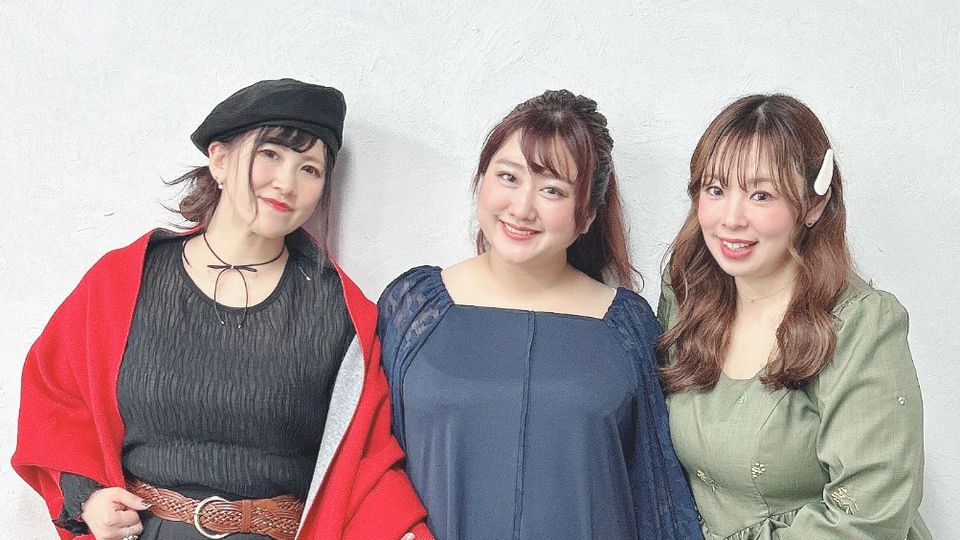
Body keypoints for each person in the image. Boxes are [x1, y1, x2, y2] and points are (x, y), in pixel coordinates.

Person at [13, 79, 430, 540]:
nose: (286, 183)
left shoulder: (341, 312)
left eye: (310, 169)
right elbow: (54, 398)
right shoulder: (124, 281)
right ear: (220, 159)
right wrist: (87, 498)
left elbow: (367, 460)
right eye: (270, 154)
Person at [377, 90, 702, 540]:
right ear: (481, 179)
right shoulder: (413, 308)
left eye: (552, 190)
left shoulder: (627, 327)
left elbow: (656, 495)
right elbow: (368, 458)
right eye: (508, 177)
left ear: (586, 215)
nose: (522, 208)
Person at [657, 94, 930, 539]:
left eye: (761, 195)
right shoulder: (687, 295)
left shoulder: (860, 324)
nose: (731, 219)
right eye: (716, 189)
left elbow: (870, 516)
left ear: (814, 204)